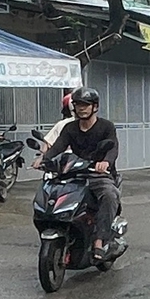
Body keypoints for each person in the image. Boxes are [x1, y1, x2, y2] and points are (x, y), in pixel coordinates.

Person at [39, 85, 120, 257]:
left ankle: (100, 239)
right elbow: (58, 146)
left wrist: (105, 161)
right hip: (74, 172)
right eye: (78, 105)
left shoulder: (106, 126)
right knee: (53, 190)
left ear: (95, 106)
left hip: (98, 174)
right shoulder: (70, 128)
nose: (82, 108)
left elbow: (113, 147)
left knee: (109, 194)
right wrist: (44, 159)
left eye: (86, 104)